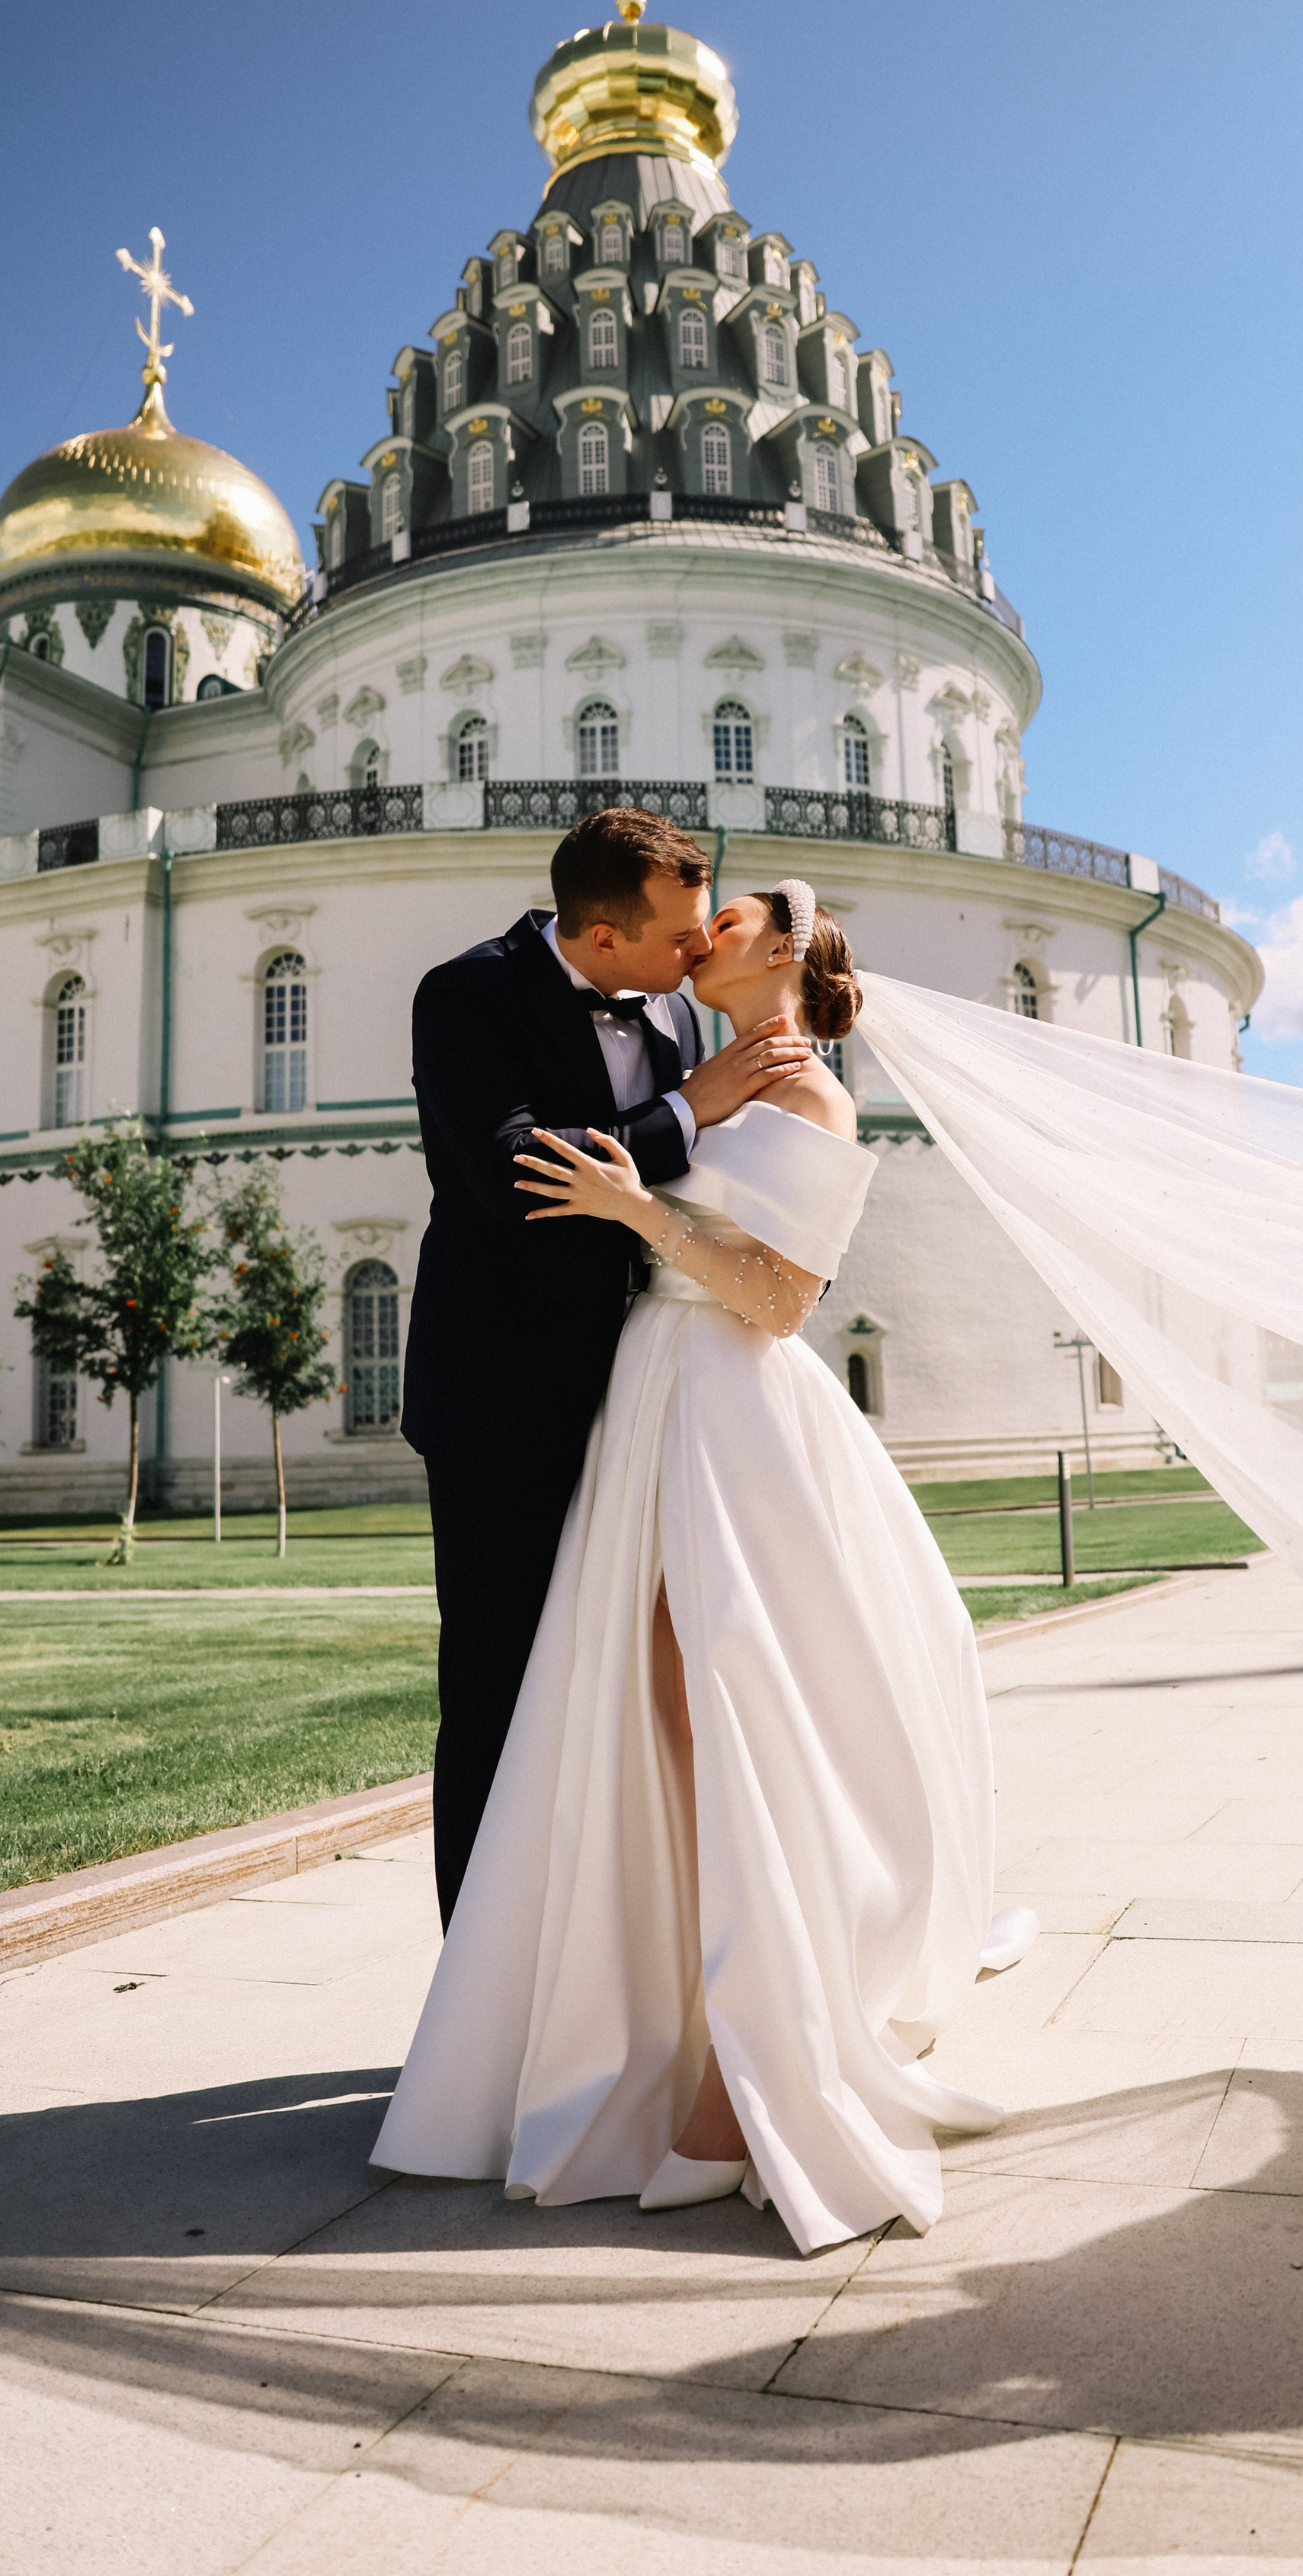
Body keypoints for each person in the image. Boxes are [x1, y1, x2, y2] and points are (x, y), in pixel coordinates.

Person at [375, 880, 1020, 2254]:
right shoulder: (683, 1050)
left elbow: (783, 1299)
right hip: (648, 1409)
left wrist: (636, 1210)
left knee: (718, 1720)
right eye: (693, 910)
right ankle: (630, 2026)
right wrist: (648, 1167)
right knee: (647, 1728)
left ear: (779, 950)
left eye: (735, 913)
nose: (704, 925)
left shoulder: (811, 1101)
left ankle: (749, 2067)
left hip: (734, 1423)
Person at [400, 808, 811, 1923]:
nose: (694, 951)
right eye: (678, 935)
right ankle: (477, 2004)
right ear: (599, 934)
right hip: (502, 1404)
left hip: (651, 1405)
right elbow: (511, 1178)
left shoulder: (677, 1008)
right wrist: (690, 1107)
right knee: (498, 1694)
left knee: (632, 1699)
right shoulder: (466, 995)